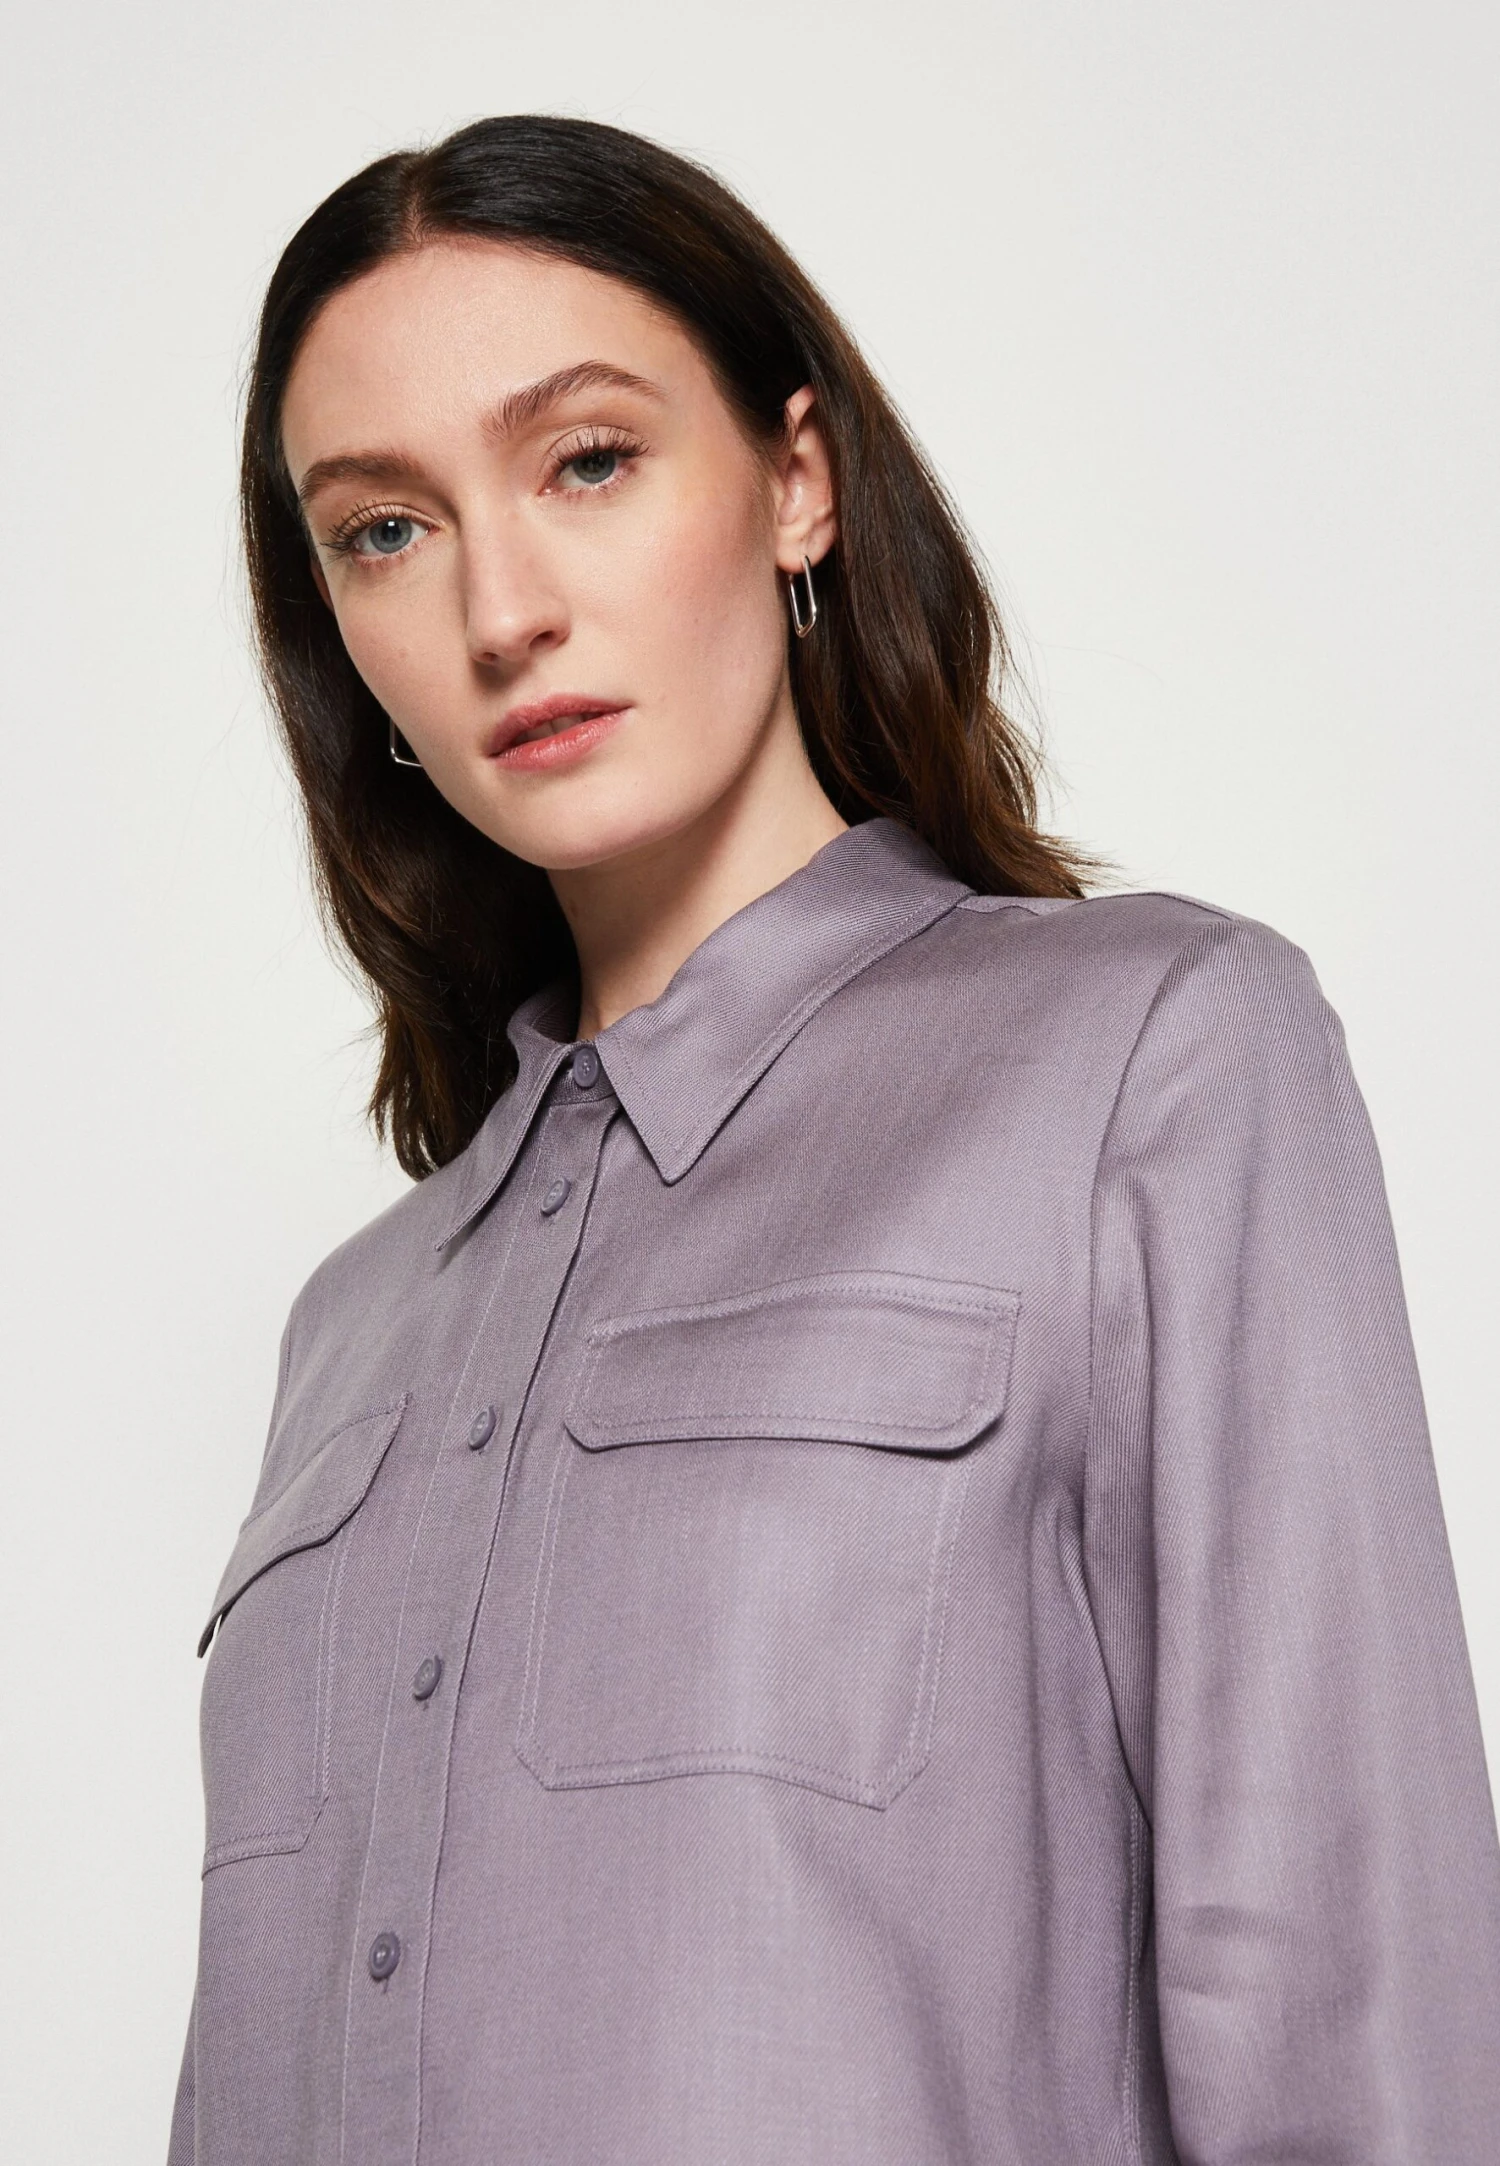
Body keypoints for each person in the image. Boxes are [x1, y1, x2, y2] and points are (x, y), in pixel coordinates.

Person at [169, 114, 1500, 2166]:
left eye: (585, 460)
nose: (500, 608)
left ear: (797, 481)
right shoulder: (352, 1330)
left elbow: (1352, 2016)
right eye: (386, 529)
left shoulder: (1151, 1063)